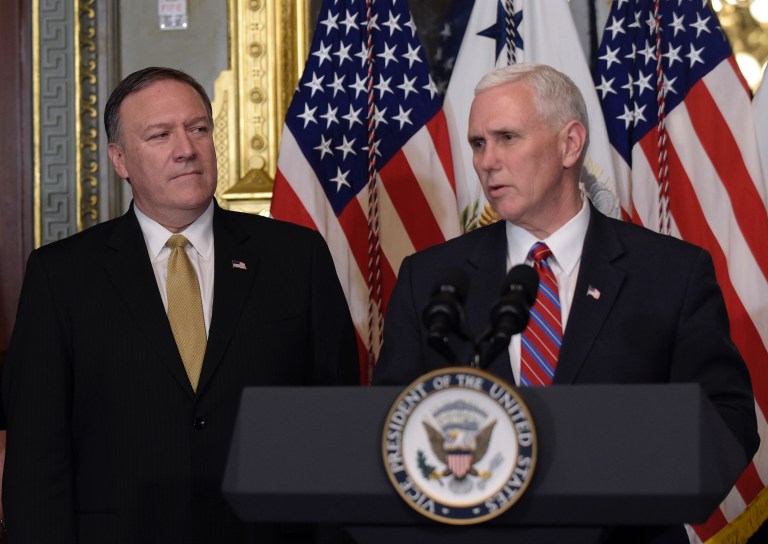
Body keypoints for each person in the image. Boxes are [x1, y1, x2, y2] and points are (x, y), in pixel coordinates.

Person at [373, 64, 759, 543]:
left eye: (507, 138)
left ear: (570, 144)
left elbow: (728, 419)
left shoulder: (670, 274)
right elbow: (390, 426)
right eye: (478, 143)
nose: (487, 161)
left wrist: (628, 474)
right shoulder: (430, 279)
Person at [2, 67, 359, 543]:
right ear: (120, 159)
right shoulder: (61, 276)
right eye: (160, 135)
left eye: (198, 129)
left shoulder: (297, 257)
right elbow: (35, 457)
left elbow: (333, 427)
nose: (186, 148)